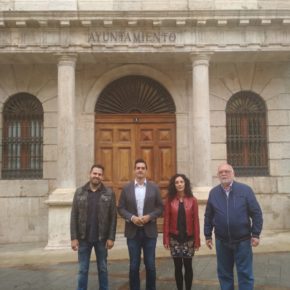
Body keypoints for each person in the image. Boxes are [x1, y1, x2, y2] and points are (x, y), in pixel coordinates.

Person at [204, 163, 263, 290]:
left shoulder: (245, 190)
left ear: (233, 173)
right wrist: (207, 235)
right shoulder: (213, 193)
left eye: (227, 171)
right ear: (218, 176)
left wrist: (256, 234)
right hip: (222, 241)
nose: (224, 174)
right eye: (221, 172)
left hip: (242, 241)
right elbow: (208, 215)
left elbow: (256, 213)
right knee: (224, 274)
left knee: (245, 274)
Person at [118, 158, 163, 290]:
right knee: (133, 265)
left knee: (150, 265)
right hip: (133, 232)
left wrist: (149, 216)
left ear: (146, 171)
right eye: (138, 168)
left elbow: (160, 208)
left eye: (143, 168)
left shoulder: (154, 188)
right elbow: (120, 208)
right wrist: (132, 218)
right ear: (134, 170)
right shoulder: (126, 188)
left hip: (150, 232)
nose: (140, 170)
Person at [70, 164, 117, 290]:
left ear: (102, 177)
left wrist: (111, 237)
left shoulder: (109, 193)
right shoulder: (79, 192)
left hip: (102, 238)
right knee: (82, 269)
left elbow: (113, 217)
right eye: (95, 173)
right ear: (90, 174)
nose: (97, 176)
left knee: (103, 268)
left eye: (99, 174)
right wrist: (74, 237)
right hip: (83, 238)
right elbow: (74, 215)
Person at [163, 173, 201, 290]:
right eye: (177, 182)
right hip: (175, 238)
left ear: (185, 184)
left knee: (188, 266)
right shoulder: (169, 200)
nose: (179, 184)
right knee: (177, 267)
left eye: (181, 182)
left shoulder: (193, 200)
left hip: (189, 238)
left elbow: (196, 221)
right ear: (174, 185)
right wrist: (166, 239)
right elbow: (166, 220)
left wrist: (197, 240)